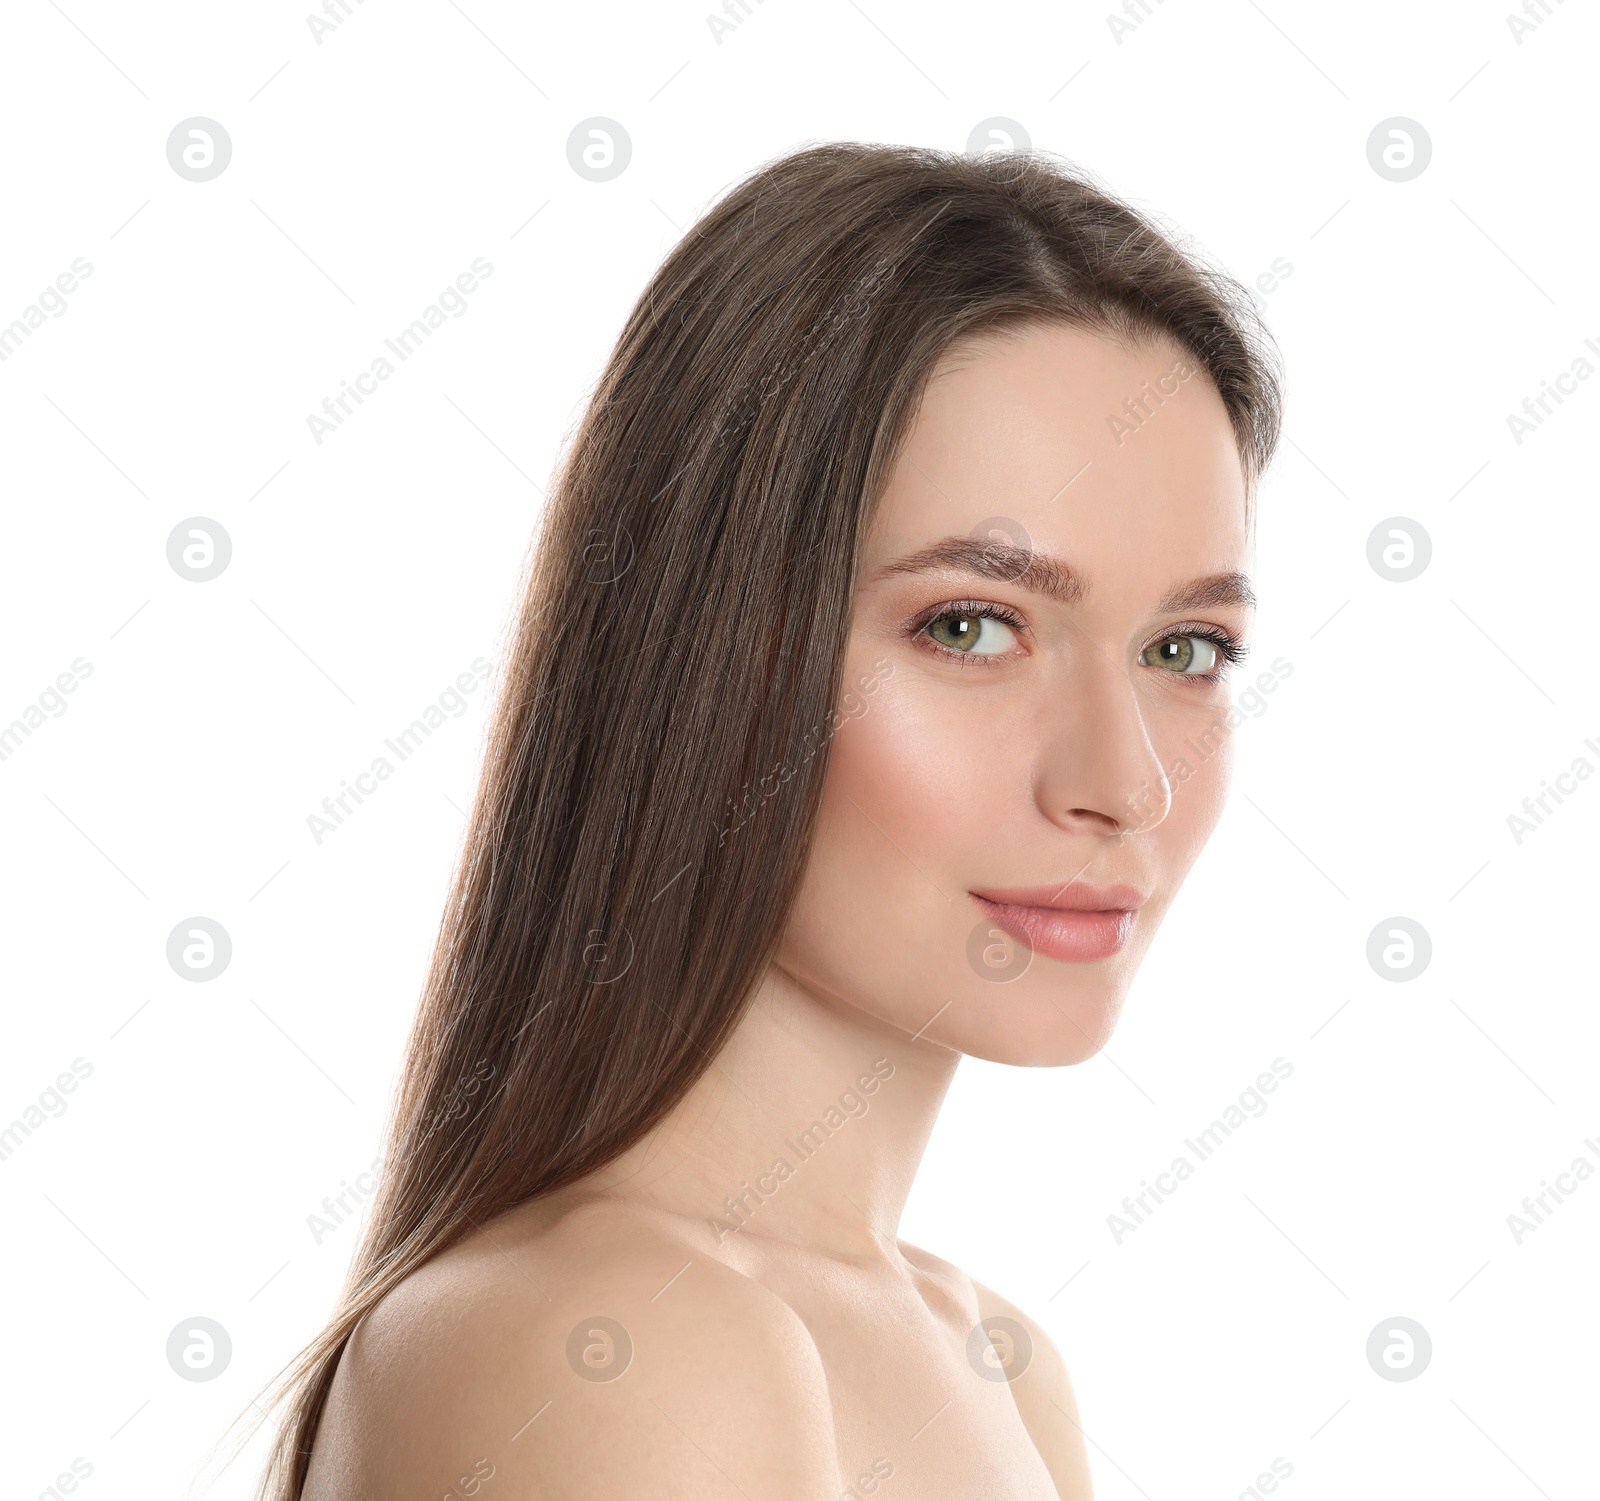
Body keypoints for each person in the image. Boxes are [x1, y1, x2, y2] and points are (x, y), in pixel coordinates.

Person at [255, 140, 1281, 1500]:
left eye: (1186, 649)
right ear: (705, 651)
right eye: (973, 626)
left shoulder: (1000, 1367)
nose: (1127, 783)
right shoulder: (623, 1344)